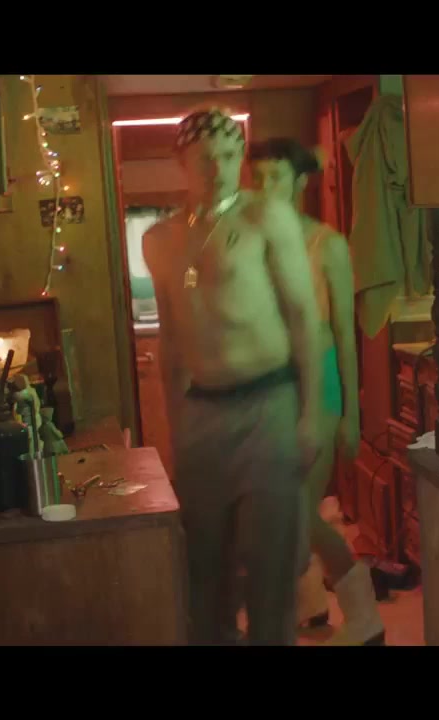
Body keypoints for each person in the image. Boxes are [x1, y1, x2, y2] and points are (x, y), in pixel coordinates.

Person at [141, 109, 323, 646]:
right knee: (202, 570)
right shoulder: (159, 238)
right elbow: (171, 340)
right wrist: (173, 429)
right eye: (203, 158)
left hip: (269, 403)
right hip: (202, 411)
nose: (216, 168)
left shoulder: (266, 217)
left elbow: (304, 318)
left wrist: (312, 413)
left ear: (239, 156)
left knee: (270, 567)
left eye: (227, 155)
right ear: (181, 162)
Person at [250, 138, 385, 646]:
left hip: (318, 384)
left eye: (275, 177)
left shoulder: (327, 245)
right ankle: (307, 605)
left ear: (301, 182)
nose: (264, 187)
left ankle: (366, 618)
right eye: (258, 178)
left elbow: (347, 334)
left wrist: (351, 414)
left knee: (301, 512)